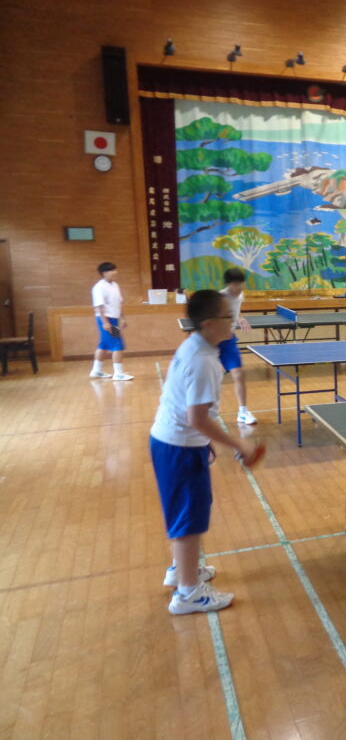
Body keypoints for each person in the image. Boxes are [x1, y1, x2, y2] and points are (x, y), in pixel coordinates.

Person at [151, 289, 259, 614]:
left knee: (188, 511)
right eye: (228, 317)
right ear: (209, 323)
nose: (234, 322)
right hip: (179, 447)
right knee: (189, 518)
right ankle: (188, 595)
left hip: (174, 442)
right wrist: (240, 443)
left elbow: (189, 409)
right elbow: (197, 418)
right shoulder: (203, 362)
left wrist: (206, 441)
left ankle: (181, 570)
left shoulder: (196, 346)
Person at [221, 269, 256, 425]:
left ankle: (242, 412)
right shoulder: (220, 298)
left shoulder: (241, 295)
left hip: (229, 340)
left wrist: (240, 318)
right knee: (210, 377)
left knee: (239, 374)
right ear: (228, 284)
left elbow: (236, 310)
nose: (239, 287)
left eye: (241, 283)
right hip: (213, 342)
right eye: (235, 284)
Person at [90, 261, 133, 381]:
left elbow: (118, 303)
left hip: (114, 318)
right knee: (117, 345)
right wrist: (105, 322)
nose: (115, 272)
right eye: (111, 270)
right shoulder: (99, 287)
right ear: (104, 273)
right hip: (106, 319)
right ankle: (118, 373)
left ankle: (96, 371)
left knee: (103, 345)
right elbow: (99, 306)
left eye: (115, 269)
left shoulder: (115, 285)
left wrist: (122, 318)